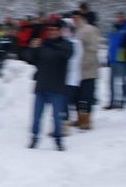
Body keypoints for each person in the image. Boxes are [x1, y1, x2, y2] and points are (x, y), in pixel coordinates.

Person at [28, 20, 73, 151]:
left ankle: (58, 140)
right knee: (36, 116)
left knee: (57, 118)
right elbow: (30, 58)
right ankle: (34, 139)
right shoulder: (42, 45)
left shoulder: (67, 45)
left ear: (60, 31)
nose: (52, 32)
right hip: (41, 86)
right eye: (49, 30)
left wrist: (49, 44)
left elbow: (66, 55)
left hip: (58, 88)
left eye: (54, 30)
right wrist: (32, 47)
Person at [71, 10, 101, 130]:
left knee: (86, 96)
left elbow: (94, 48)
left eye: (76, 18)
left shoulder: (89, 29)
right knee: (78, 96)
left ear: (81, 18)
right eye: (73, 18)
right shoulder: (75, 31)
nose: (74, 20)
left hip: (88, 69)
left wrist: (85, 61)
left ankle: (86, 121)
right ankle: (79, 118)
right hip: (77, 70)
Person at [105, 12, 126, 109]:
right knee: (112, 82)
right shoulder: (113, 28)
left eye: (121, 16)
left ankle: (123, 101)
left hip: (122, 58)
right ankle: (113, 101)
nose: (119, 18)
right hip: (113, 58)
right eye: (118, 16)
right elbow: (110, 44)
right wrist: (108, 57)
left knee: (121, 81)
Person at [61, 18, 83, 133]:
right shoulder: (63, 42)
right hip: (62, 77)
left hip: (70, 78)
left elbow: (74, 61)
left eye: (66, 28)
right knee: (62, 102)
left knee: (64, 102)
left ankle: (64, 128)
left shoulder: (75, 43)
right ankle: (63, 124)